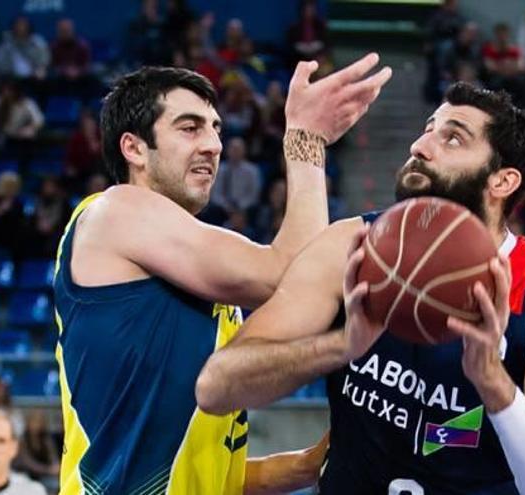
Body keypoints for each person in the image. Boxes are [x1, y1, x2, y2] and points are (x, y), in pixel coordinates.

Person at [197, 83, 525, 494]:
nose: (421, 145)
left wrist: (493, 382)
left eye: (452, 137)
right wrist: (342, 344)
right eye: (428, 128)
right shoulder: (350, 245)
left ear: (502, 181)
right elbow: (217, 387)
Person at [52, 56, 391, 494]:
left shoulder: (188, 268)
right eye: (190, 127)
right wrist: (306, 143)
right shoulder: (115, 211)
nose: (213, 144)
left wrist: (301, 466)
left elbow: (199, 474)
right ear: (133, 148)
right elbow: (291, 275)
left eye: (216, 129)